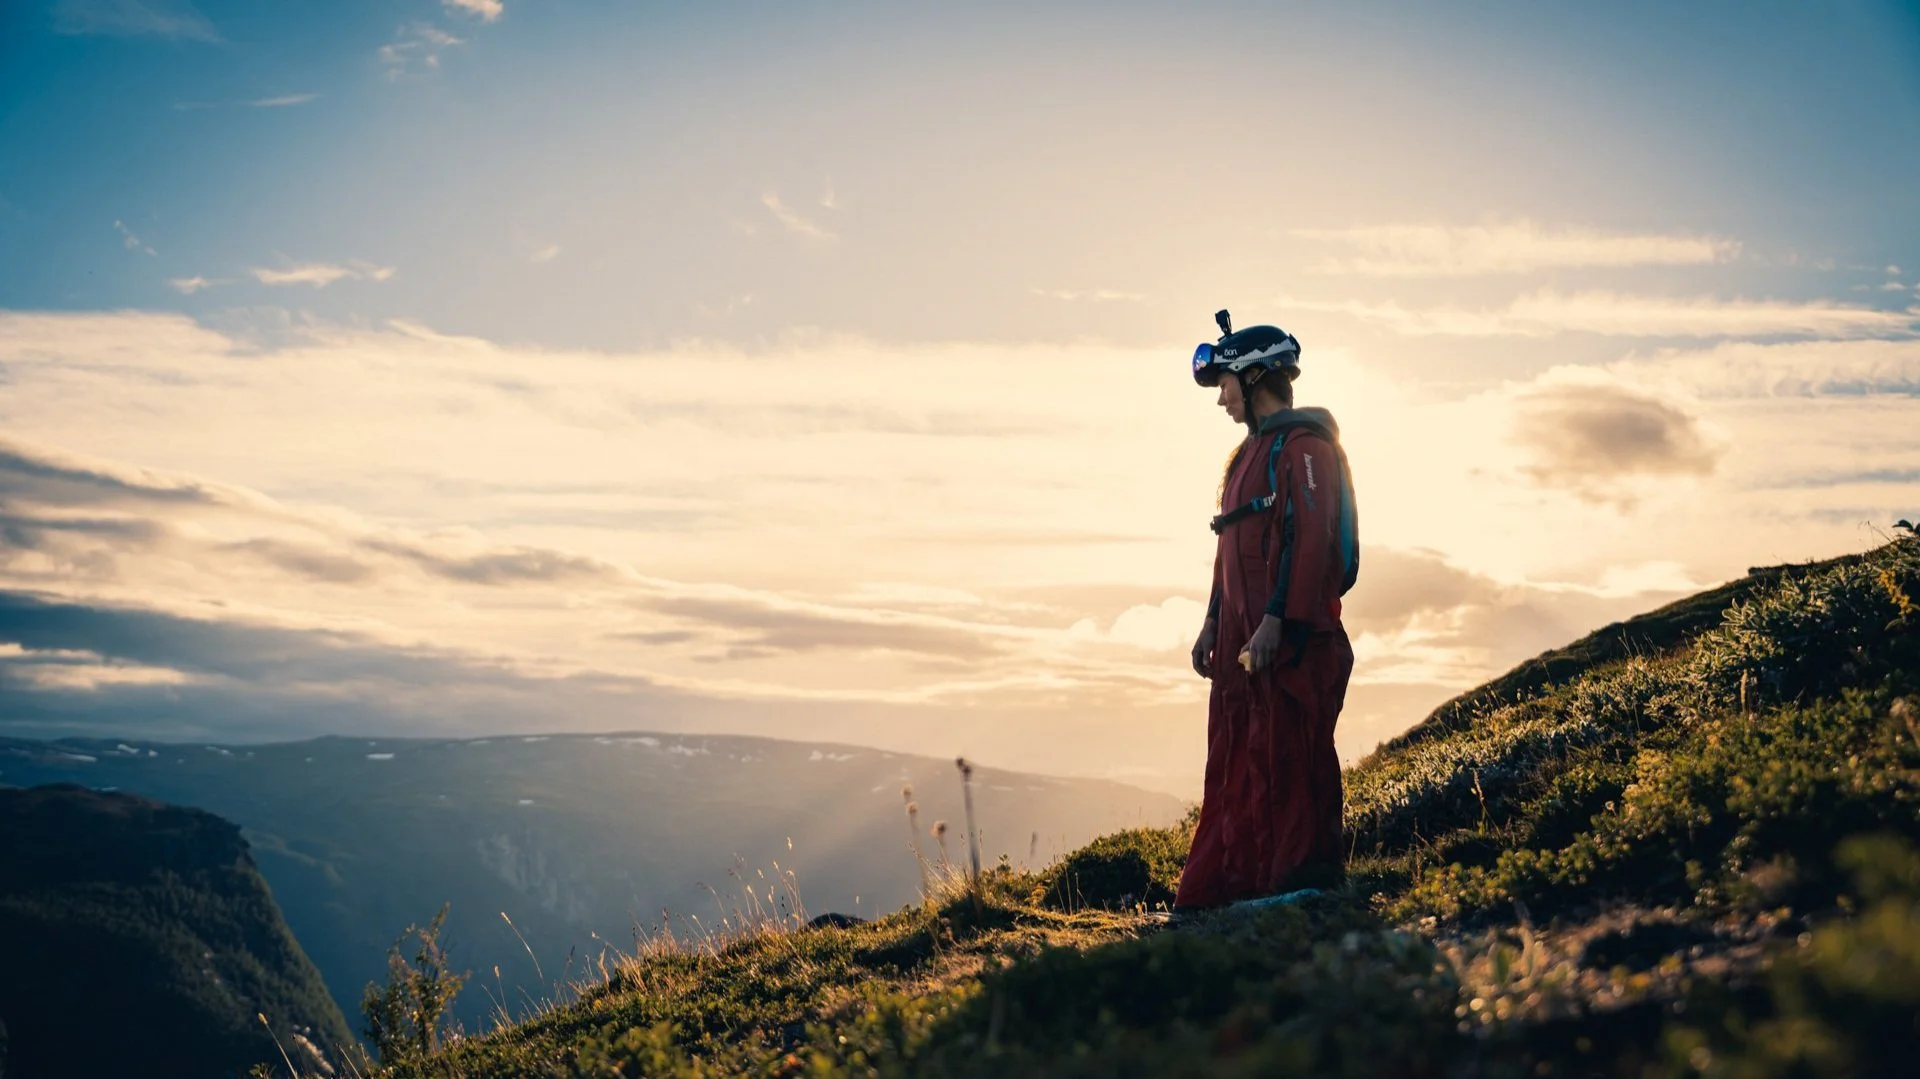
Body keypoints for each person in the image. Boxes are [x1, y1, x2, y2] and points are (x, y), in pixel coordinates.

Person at [1175, 310, 1359, 912]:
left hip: (1291, 645)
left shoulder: (1306, 449)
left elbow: (1311, 538)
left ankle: (1298, 886)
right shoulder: (1241, 459)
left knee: (1290, 756)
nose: (1222, 399)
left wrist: (1279, 620)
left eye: (1227, 385)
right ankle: (1233, 890)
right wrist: (1211, 623)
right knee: (1234, 763)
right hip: (1240, 650)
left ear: (1255, 379)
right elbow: (1229, 545)